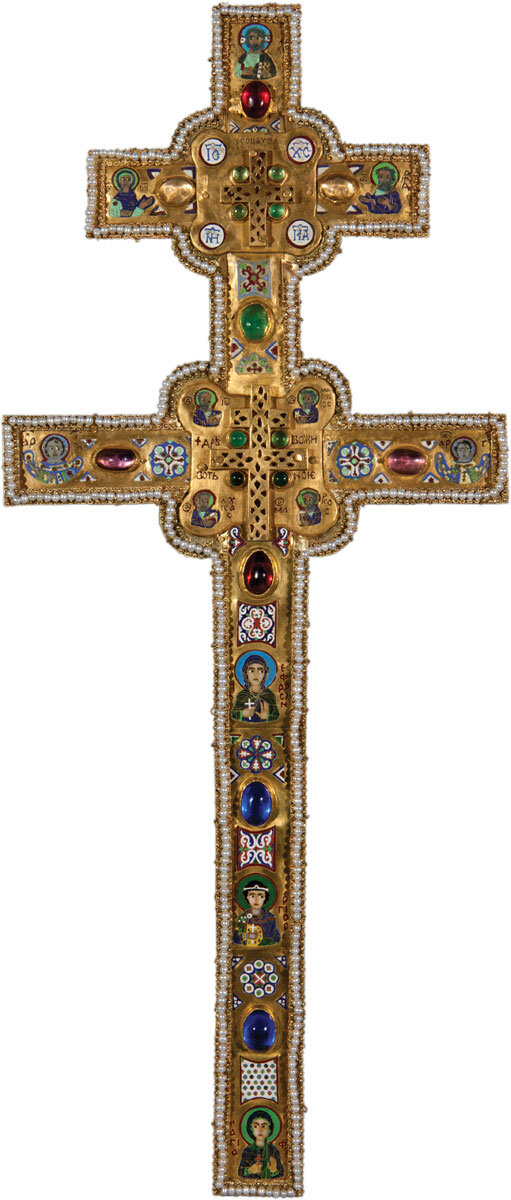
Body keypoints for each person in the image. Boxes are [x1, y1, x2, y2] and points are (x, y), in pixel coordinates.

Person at [238, 1110, 285, 1179]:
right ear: (251, 1129)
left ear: (269, 1130)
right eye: (255, 1126)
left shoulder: (273, 1150)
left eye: (263, 1126)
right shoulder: (247, 1151)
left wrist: (274, 1171)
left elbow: (281, 1173)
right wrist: (250, 1170)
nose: (260, 1130)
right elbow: (240, 1172)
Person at [232, 654, 279, 722]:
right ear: (246, 673)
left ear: (265, 674)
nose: (256, 675)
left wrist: (267, 717)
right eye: (251, 671)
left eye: (260, 671)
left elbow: (276, 716)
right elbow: (233, 715)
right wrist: (242, 713)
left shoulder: (269, 695)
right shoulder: (242, 695)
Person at [234, 881, 280, 946]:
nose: (256, 900)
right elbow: (236, 938)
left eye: (260, 896)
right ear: (247, 897)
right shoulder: (243, 917)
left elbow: (275, 939)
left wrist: (260, 939)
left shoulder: (270, 918)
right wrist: (246, 936)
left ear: (265, 898)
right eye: (252, 896)